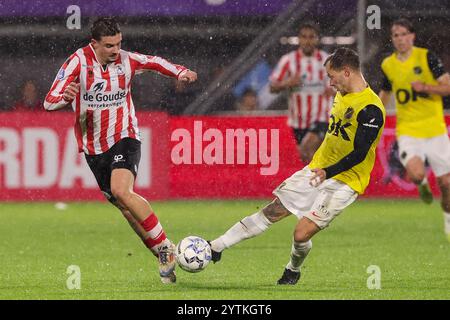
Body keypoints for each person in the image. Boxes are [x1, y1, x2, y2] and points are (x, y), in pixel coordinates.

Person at [209, 48, 385, 284]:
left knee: (301, 234)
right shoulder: (342, 94)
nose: (330, 83)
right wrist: (321, 166)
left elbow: (360, 154)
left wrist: (328, 172)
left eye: (332, 77)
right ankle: (216, 246)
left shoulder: (371, 109)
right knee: (273, 210)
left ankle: (293, 269)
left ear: (346, 72)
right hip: (317, 169)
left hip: (346, 180)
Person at [44, 17, 197, 284]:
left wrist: (180, 71)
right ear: (94, 44)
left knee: (121, 191)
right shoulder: (77, 63)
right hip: (94, 148)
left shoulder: (126, 60)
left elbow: (154, 62)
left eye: (118, 43)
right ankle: (163, 258)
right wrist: (64, 98)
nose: (116, 50)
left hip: (125, 135)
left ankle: (165, 247)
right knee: (126, 208)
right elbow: (49, 101)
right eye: (109, 45)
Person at [378, 18, 450, 240]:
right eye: (396, 35)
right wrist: (373, 115)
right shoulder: (388, 65)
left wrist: (425, 87)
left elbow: (447, 86)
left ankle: (448, 219)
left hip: (435, 130)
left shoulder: (426, 57)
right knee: (417, 174)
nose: (400, 39)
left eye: (403, 34)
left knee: (447, 183)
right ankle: (422, 184)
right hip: (408, 131)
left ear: (412, 36)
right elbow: (384, 94)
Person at [269, 23, 334, 164]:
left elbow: (342, 85)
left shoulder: (327, 60)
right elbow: (272, 87)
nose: (307, 40)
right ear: (298, 39)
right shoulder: (288, 60)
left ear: (317, 39)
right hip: (298, 121)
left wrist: (335, 90)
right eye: (304, 37)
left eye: (311, 37)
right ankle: (321, 183)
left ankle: (314, 184)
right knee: (307, 158)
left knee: (307, 148)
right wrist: (287, 83)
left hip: (322, 118)